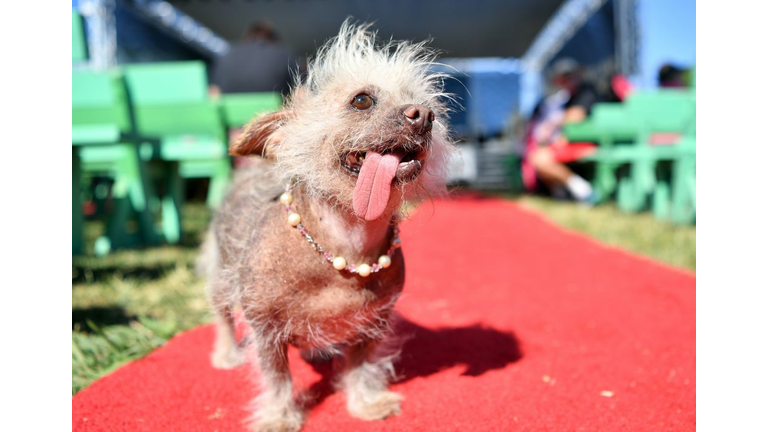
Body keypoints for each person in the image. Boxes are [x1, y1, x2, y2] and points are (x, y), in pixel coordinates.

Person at [522, 58, 599, 203]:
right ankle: (568, 195)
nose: (566, 81)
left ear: (578, 74)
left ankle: (584, 192)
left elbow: (576, 116)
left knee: (540, 159)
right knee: (537, 157)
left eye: (569, 76)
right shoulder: (566, 98)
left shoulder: (586, 91)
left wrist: (554, 124)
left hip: (591, 144)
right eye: (563, 78)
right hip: (573, 143)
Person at [209, 22, 298, 96]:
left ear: (247, 37)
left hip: (233, 115)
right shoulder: (283, 53)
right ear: (274, 40)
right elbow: (301, 93)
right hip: (270, 114)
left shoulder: (228, 53)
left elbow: (213, 92)